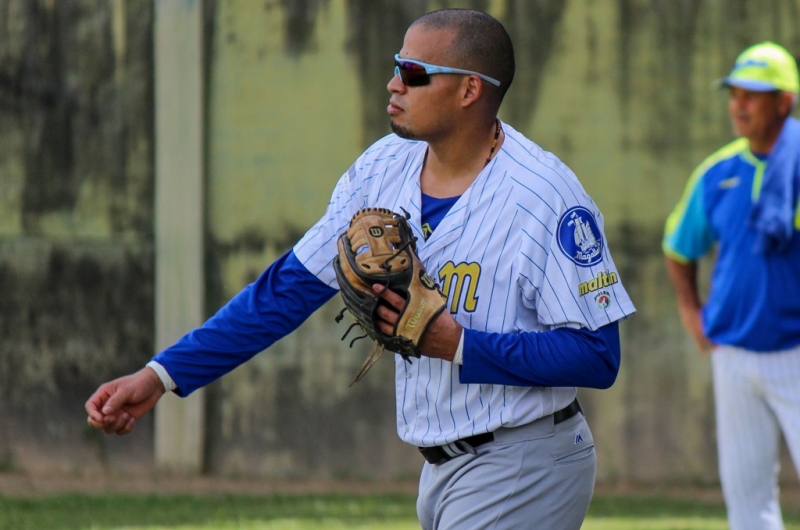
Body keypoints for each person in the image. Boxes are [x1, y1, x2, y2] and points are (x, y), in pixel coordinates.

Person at [86, 9, 635, 529]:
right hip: (441, 467)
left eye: (414, 72)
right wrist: (163, 374)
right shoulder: (382, 167)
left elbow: (597, 354)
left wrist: (459, 344)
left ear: (470, 90)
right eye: (396, 67)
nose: (394, 83)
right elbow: (287, 289)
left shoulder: (545, 196)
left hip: (525, 461)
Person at [663, 41, 800, 530]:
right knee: (746, 498)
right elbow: (680, 247)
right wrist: (690, 312)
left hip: (796, 352)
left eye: (753, 95)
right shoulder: (717, 172)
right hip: (733, 354)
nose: (738, 104)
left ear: (783, 101)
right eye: (734, 93)